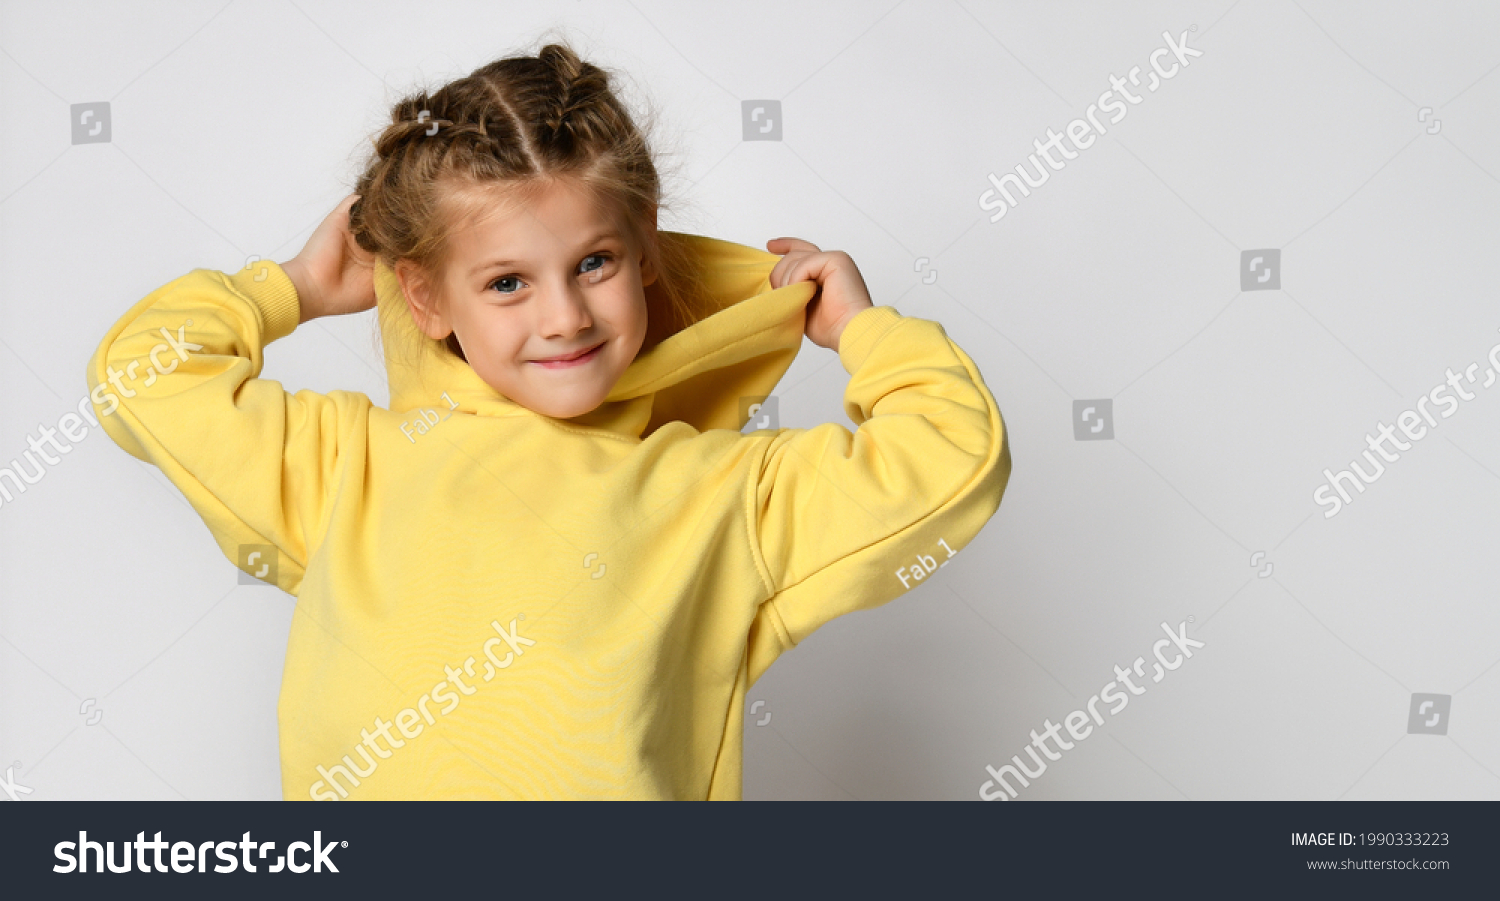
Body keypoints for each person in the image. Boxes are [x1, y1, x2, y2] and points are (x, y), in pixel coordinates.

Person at [85, 40, 1011, 800]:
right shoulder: (349, 466)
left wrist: (860, 329)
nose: (563, 315)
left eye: (595, 263)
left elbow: (953, 458)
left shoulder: (724, 494)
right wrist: (285, 287)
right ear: (425, 296)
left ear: (645, 246)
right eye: (506, 282)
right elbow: (140, 379)